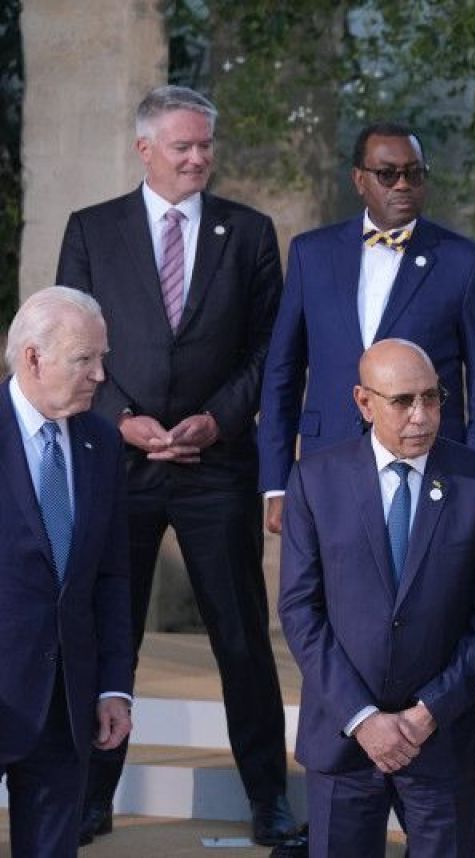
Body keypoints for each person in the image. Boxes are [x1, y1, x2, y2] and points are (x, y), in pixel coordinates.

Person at [55, 85, 301, 848]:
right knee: (108, 635)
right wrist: (119, 419)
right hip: (115, 465)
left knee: (239, 638)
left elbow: (271, 346)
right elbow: (71, 334)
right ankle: (90, 798)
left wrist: (218, 418)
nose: (199, 158)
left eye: (206, 147)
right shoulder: (93, 230)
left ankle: (269, 800)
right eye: (183, 147)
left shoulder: (250, 232)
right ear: (145, 150)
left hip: (212, 463)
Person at [278, 338, 475, 856]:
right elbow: (301, 610)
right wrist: (362, 718)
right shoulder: (316, 480)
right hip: (344, 740)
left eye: (432, 398)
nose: (421, 416)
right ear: (364, 402)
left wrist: (427, 712)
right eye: (403, 401)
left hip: (438, 740)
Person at [257, 121, 475, 534]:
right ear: (359, 179)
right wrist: (275, 483)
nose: (402, 184)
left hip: (431, 467)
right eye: (387, 174)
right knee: (325, 594)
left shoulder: (465, 263)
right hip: (327, 461)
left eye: (414, 173)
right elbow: (282, 373)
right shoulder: (311, 253)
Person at [0, 287, 133, 858]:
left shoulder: (100, 442)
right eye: (86, 359)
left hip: (66, 703)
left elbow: (112, 577)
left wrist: (113, 685)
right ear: (33, 357)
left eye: (101, 358)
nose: (101, 375)